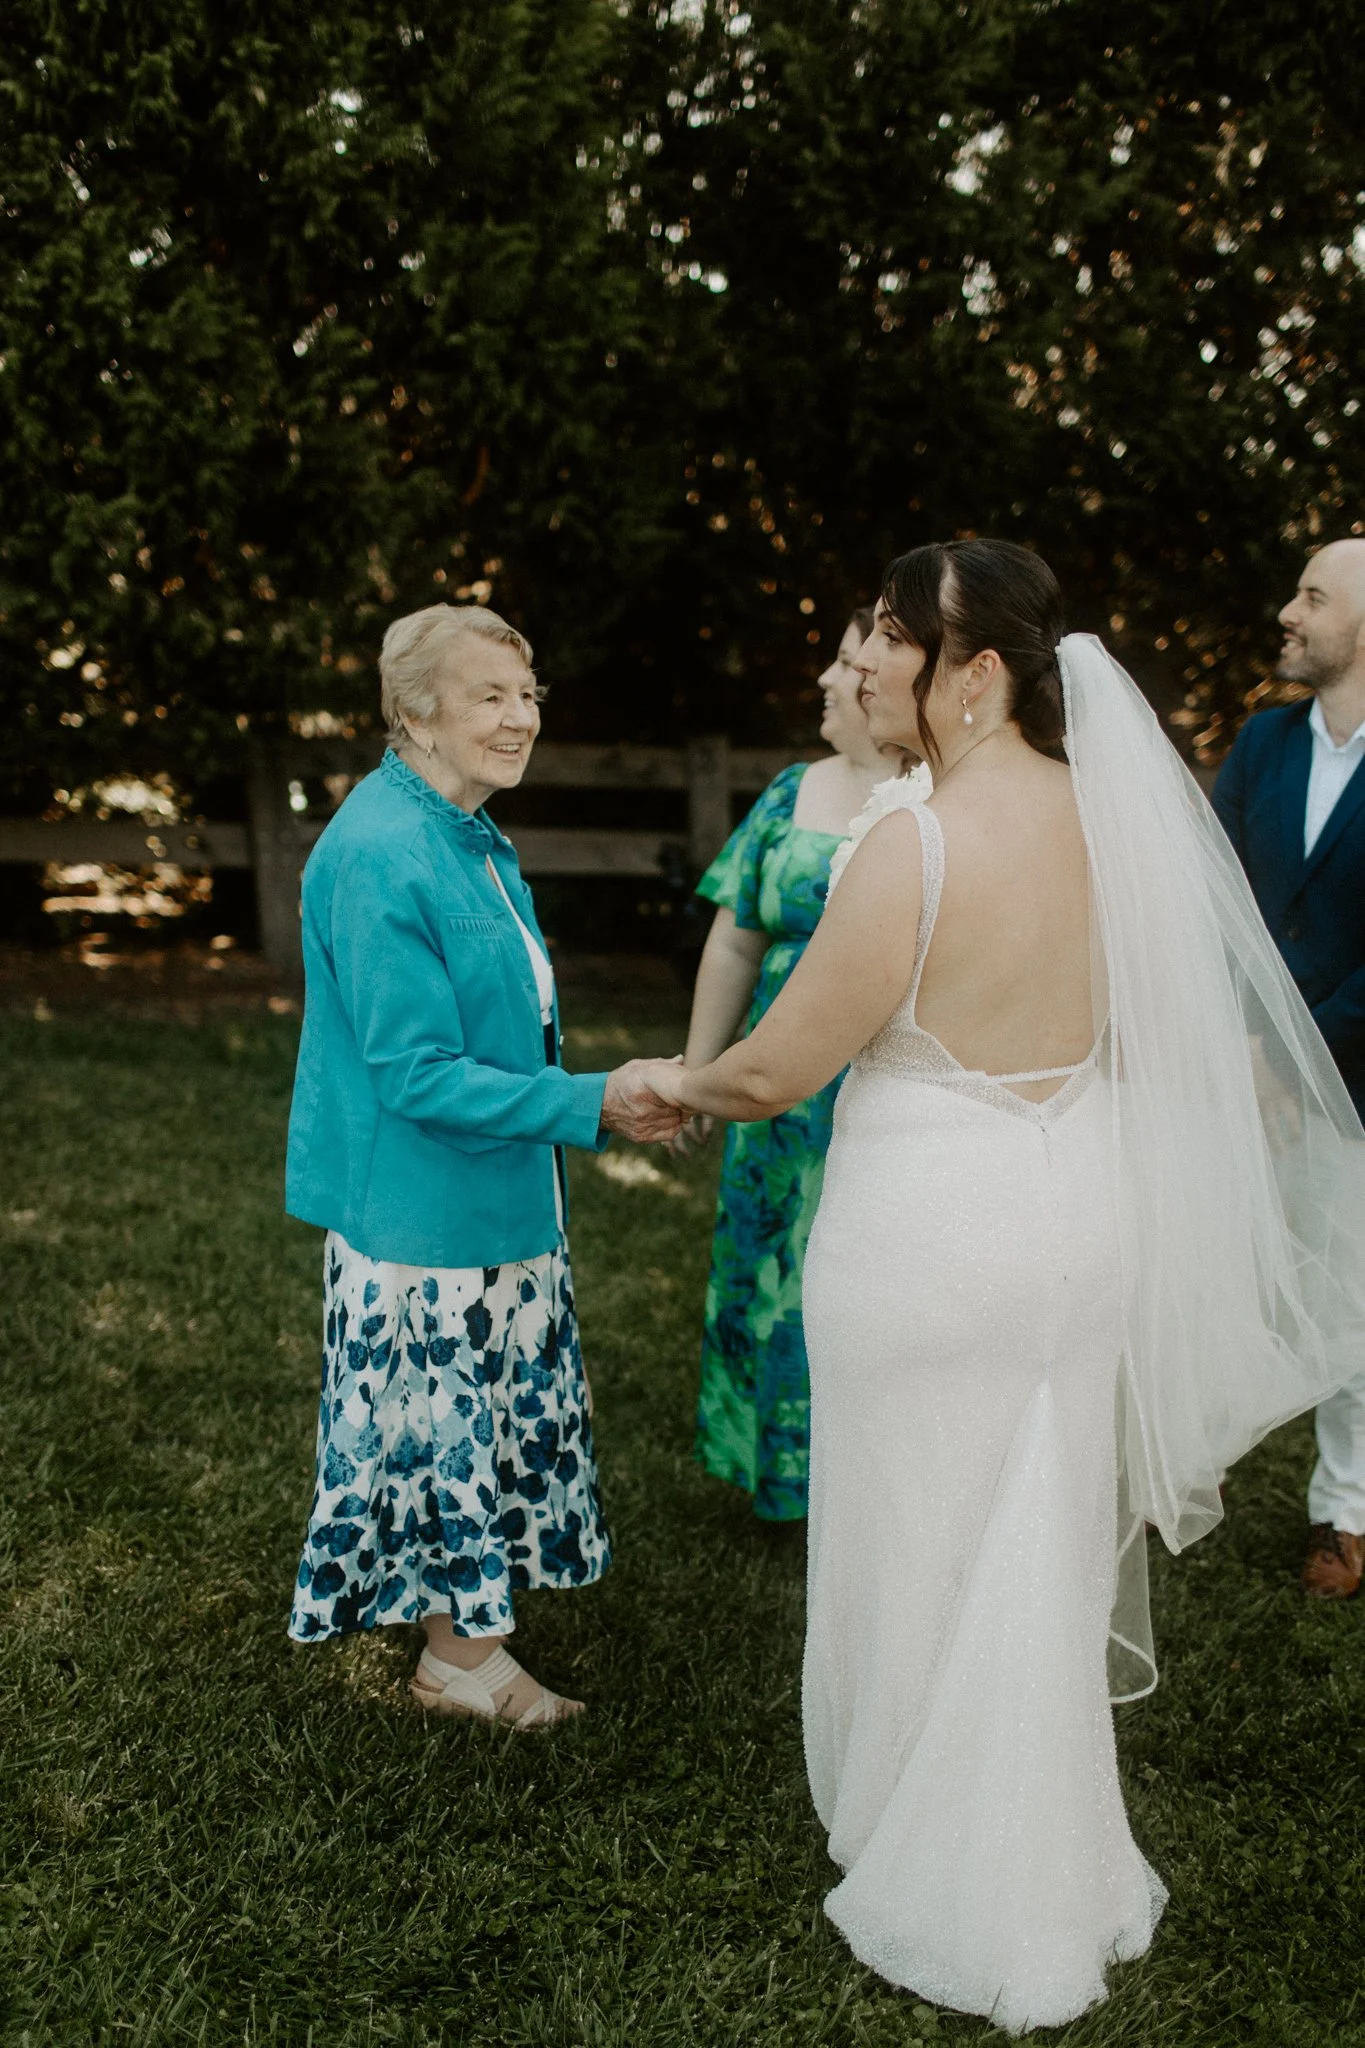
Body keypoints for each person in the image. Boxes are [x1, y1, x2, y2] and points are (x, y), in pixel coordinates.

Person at [644, 541, 1365, 2029]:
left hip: (933, 1237)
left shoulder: (913, 845)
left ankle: (926, 1845)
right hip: (1072, 1223)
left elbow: (785, 1064)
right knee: (1031, 1529)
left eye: (900, 640)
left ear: (976, 672)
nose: (877, 663)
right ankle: (1052, 1853)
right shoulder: (1117, 826)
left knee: (916, 1532)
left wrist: (672, 1085)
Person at [284, 602, 682, 1729]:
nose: (522, 719)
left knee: (486, 1421)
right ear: (414, 713)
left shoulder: (459, 825)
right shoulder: (378, 848)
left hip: (490, 1195)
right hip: (422, 1214)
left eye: (529, 695)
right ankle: (461, 1661)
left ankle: (466, 1629)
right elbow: (414, 1072)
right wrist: (590, 1100)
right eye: (490, 697)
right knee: (447, 1430)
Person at [680, 607, 926, 1520]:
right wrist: (702, 1070)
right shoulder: (789, 789)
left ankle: (868, 1478)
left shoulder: (934, 801)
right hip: (772, 1087)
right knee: (767, 1263)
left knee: (857, 1276)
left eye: (848, 662)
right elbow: (733, 942)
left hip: (878, 1085)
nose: (828, 679)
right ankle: (772, 1467)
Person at [1213, 539, 1365, 1598]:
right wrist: (1252, 1048)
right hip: (1238, 1072)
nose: (1288, 610)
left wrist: (1302, 1053)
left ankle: (1344, 1513)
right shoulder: (1264, 743)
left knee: (1351, 1294)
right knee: (1206, 1268)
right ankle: (1176, 1468)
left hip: (1357, 1086)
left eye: (1313, 594)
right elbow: (1207, 894)